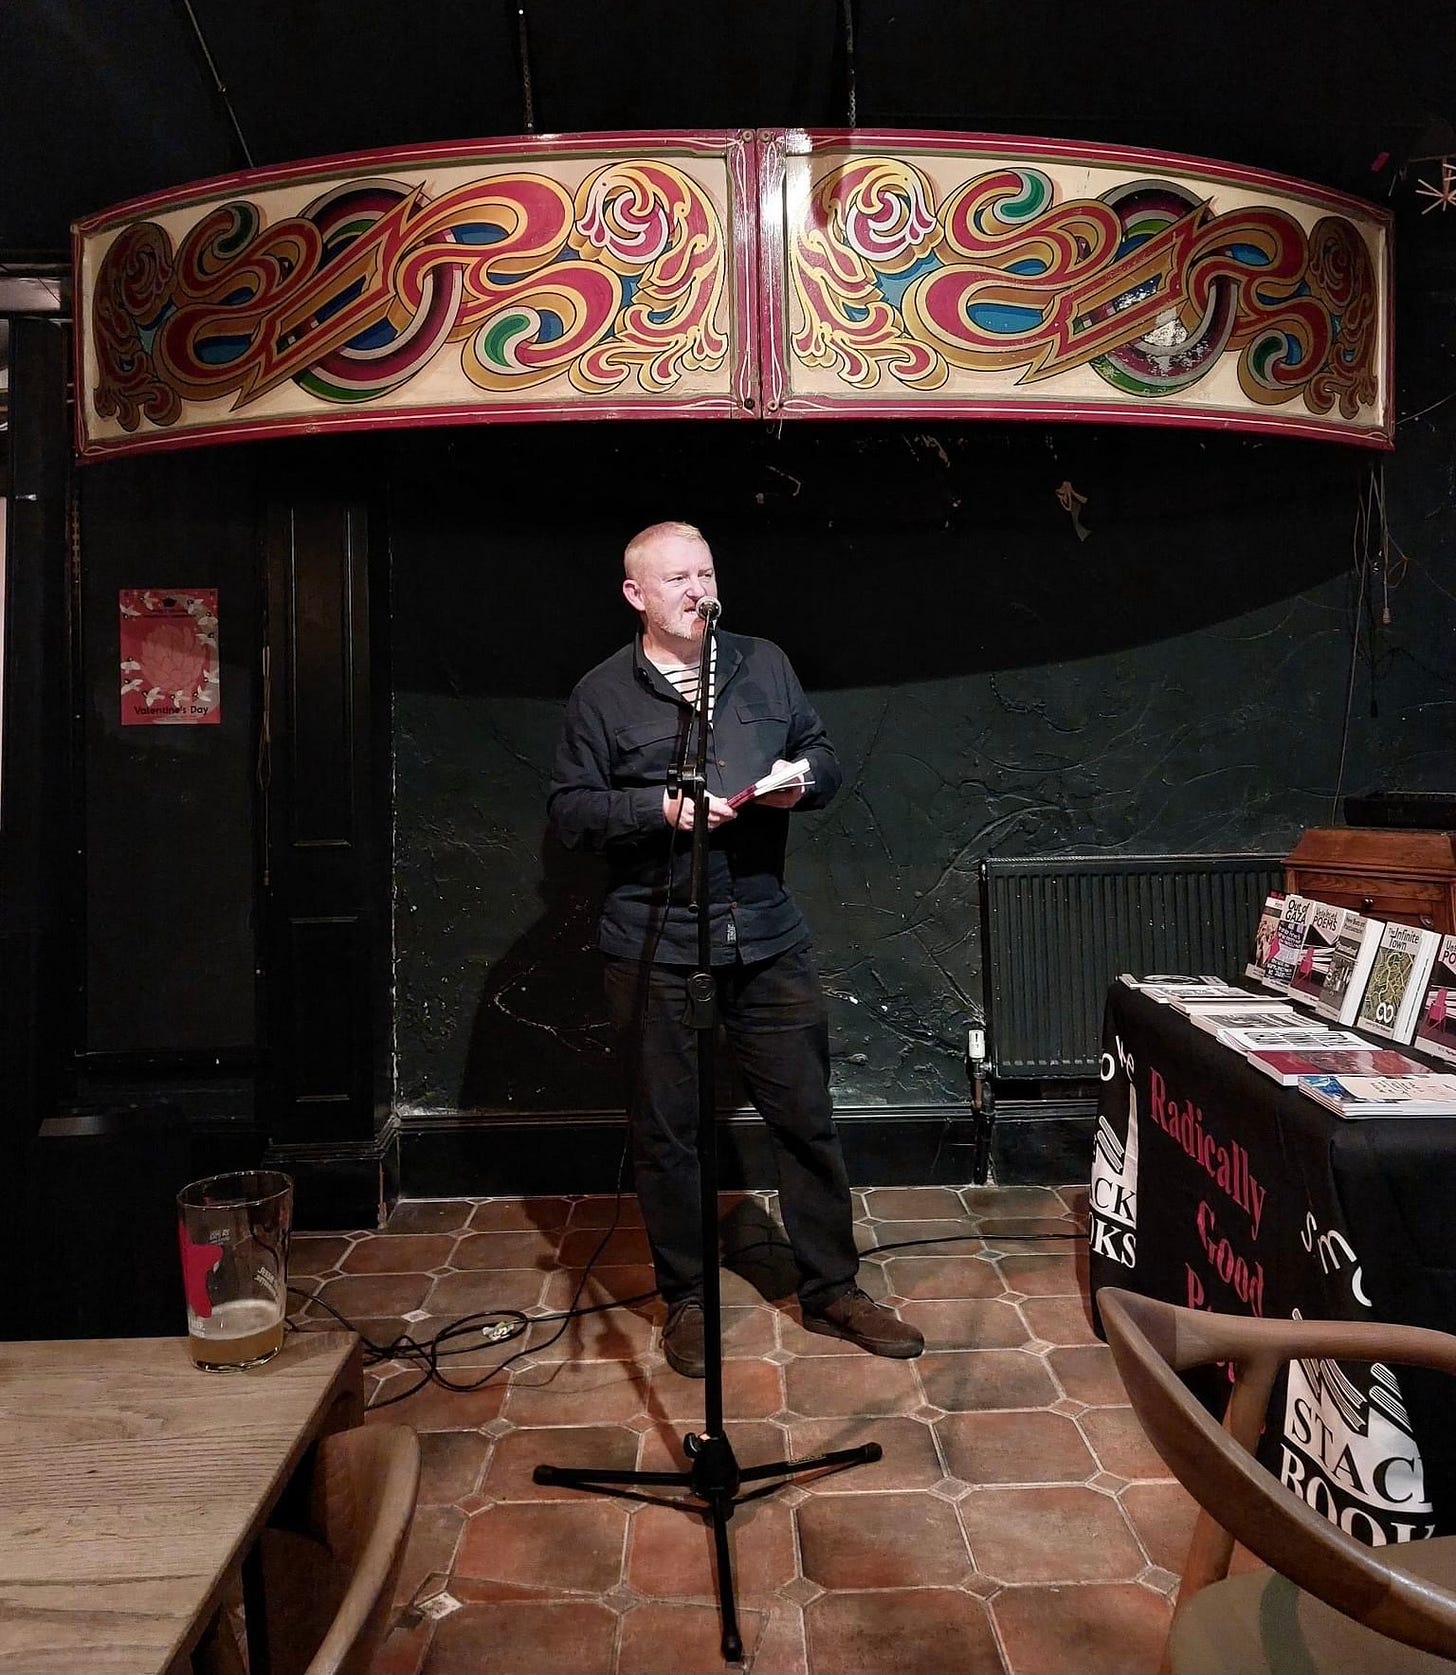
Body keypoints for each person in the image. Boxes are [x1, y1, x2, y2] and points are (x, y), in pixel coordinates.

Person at [547, 521, 924, 1377]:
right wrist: (659, 812)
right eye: (677, 578)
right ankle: (684, 1296)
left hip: (764, 928)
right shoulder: (602, 693)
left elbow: (822, 752)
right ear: (636, 595)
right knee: (669, 1132)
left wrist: (801, 785)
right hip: (655, 937)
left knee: (805, 1113)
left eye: (707, 572)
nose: (698, 590)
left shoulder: (765, 662)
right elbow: (571, 811)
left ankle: (832, 1286)